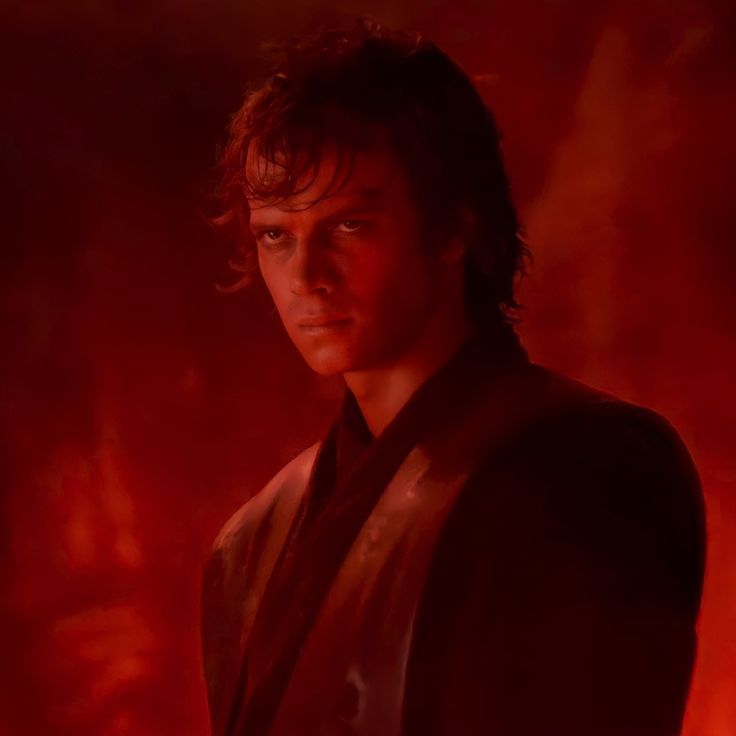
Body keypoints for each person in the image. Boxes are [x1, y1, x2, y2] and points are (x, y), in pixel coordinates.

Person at [199, 19, 706, 736]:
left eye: (348, 226)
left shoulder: (576, 472)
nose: (305, 277)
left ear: (451, 229)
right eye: (276, 234)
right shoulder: (250, 544)